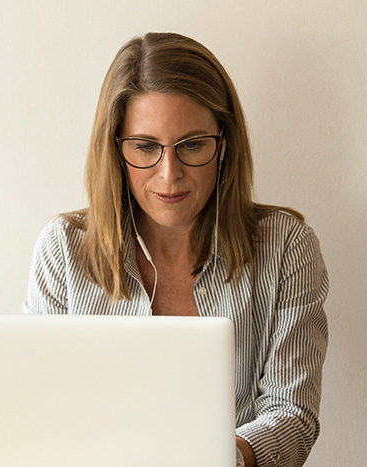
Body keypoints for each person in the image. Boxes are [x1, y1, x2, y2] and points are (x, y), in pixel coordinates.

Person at [23, 32, 329, 467]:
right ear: (116, 150)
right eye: (146, 147)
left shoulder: (285, 248)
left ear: (223, 144)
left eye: (191, 146)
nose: (170, 174)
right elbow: (40, 411)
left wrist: (226, 457)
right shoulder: (64, 250)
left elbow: (293, 415)